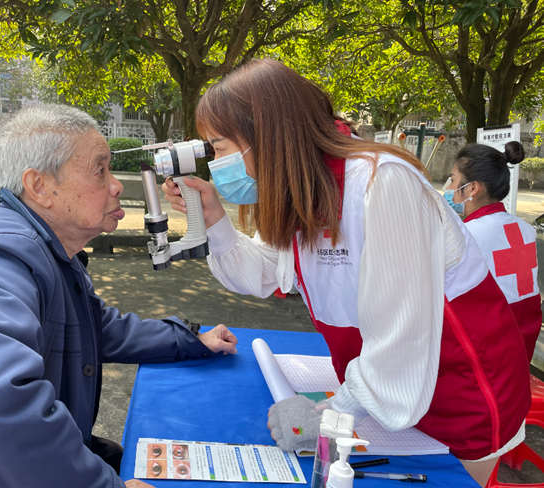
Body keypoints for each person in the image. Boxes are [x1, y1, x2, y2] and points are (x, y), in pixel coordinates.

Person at [162, 59, 530, 486]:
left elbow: (403, 331)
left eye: (219, 146)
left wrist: (333, 413)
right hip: (382, 394)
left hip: (459, 395)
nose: (216, 162)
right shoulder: (305, 189)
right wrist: (214, 221)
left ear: (268, 134)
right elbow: (261, 274)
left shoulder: (381, 182)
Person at [0, 104, 238, 488]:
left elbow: (94, 325)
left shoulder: (45, 249)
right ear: (40, 187)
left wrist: (189, 339)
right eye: (100, 169)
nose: (116, 185)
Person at [446, 142, 540, 360]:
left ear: (472, 188)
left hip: (484, 355)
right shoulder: (526, 230)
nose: (449, 188)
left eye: (452, 179)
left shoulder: (465, 235)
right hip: (520, 349)